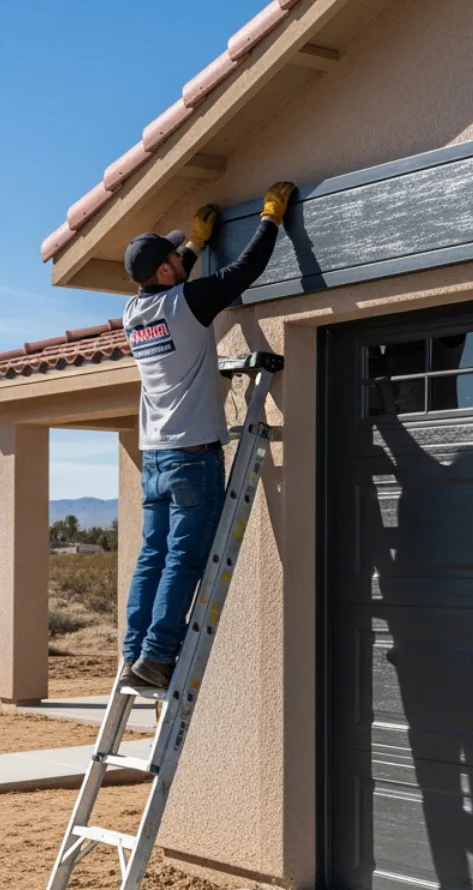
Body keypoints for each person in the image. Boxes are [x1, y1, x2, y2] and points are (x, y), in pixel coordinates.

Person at [118, 181, 296, 689]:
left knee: (153, 556)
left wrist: (194, 244)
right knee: (182, 558)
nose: (182, 256)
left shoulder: (135, 315)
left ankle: (135, 653)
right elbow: (245, 271)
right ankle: (156, 658)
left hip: (154, 457)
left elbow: (175, 279)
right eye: (176, 255)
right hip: (191, 457)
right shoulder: (187, 303)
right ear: (165, 271)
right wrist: (270, 218)